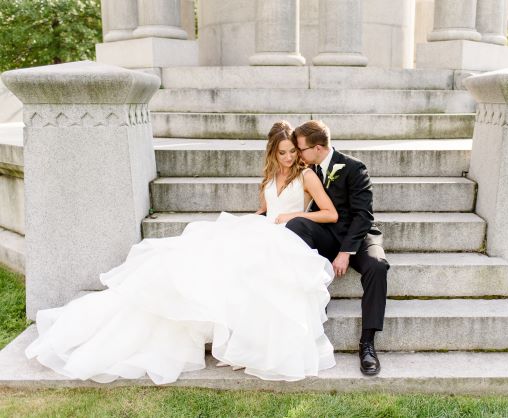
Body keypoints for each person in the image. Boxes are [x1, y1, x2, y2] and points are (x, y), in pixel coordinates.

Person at [25, 121, 339, 384]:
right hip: (261, 231)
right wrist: (248, 223)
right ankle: (229, 340)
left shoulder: (306, 175)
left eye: (291, 152)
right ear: (273, 152)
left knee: (255, 274)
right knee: (206, 258)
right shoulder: (270, 177)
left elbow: (330, 213)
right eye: (281, 152)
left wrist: (295, 217)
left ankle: (244, 346)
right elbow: (264, 211)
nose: (287, 157)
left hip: (284, 238)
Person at [286, 120, 388, 376]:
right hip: (328, 235)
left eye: (301, 150)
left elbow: (363, 216)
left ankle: (367, 344)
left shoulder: (354, 168)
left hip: (359, 236)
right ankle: (313, 305)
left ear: (318, 148)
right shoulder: (308, 169)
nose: (298, 154)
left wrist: (345, 252)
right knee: (297, 225)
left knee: (377, 267)